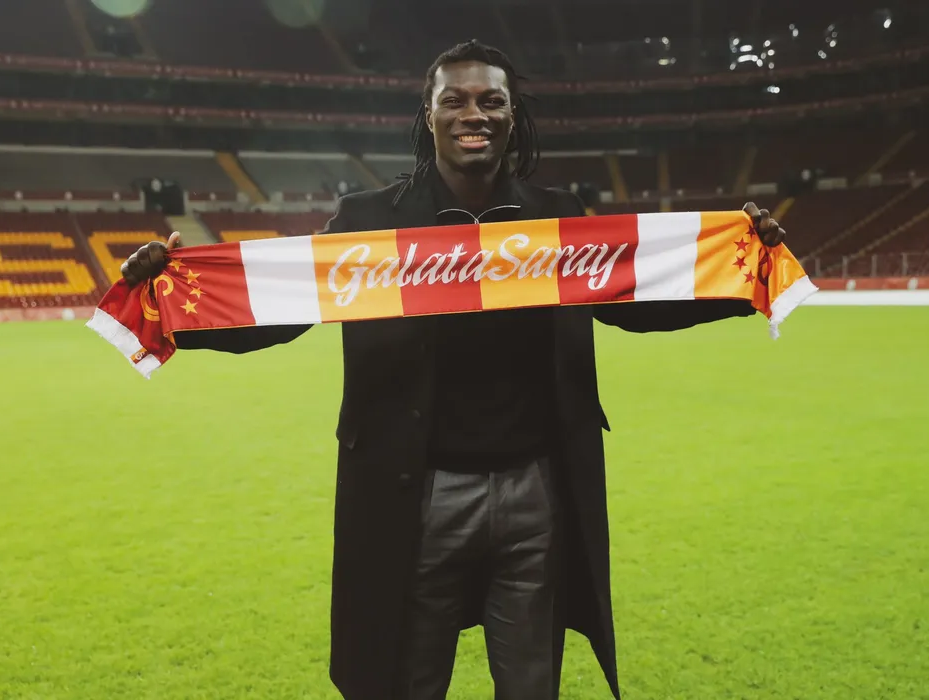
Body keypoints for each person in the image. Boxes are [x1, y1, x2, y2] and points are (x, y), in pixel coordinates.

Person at [120, 40, 785, 700]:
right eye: (455, 100)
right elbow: (279, 308)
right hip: (413, 497)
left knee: (531, 686)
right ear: (429, 113)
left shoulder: (556, 218)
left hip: (536, 494)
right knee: (408, 682)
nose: (474, 114)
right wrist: (166, 296)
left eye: (492, 101)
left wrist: (742, 274)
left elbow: (639, 302)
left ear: (513, 115)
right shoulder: (368, 224)